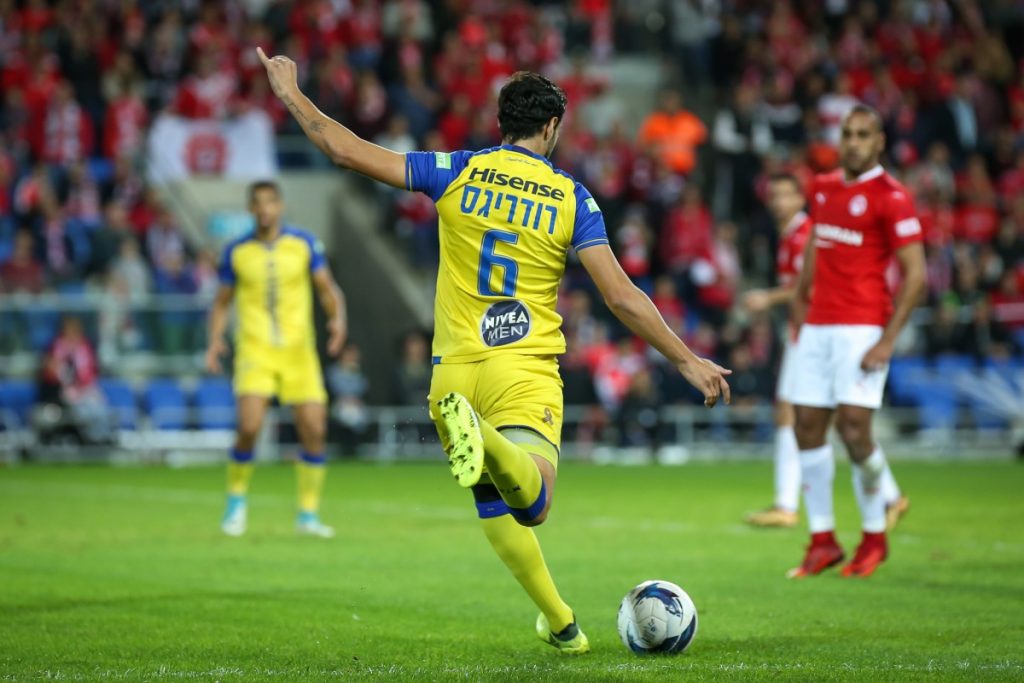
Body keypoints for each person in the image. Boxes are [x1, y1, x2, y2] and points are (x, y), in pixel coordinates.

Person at [257, 48, 731, 654]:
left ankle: (562, 625)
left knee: (492, 500)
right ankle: (486, 438)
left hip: (452, 374)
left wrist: (291, 94)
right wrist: (686, 358)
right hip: (521, 367)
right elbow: (620, 296)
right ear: (552, 127)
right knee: (534, 502)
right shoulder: (571, 197)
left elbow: (344, 150)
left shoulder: (456, 169)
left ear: (502, 122)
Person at [788, 105, 923, 579]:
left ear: (879, 141)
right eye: (847, 134)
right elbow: (815, 244)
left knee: (854, 428)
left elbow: (916, 275)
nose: (853, 142)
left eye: (863, 134)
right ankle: (822, 539)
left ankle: (874, 534)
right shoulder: (823, 187)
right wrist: (801, 297)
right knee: (807, 426)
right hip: (818, 324)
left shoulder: (893, 197)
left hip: (862, 326)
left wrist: (888, 340)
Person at [206, 180, 347, 538]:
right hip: (255, 350)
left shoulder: (303, 244)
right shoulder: (237, 251)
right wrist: (214, 340)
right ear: (250, 209)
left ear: (280, 206)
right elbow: (221, 303)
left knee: (314, 429)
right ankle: (236, 502)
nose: (265, 208)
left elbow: (327, 289)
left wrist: (337, 320)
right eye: (258, 202)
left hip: (299, 352)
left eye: (270, 201)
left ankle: (308, 515)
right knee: (249, 426)